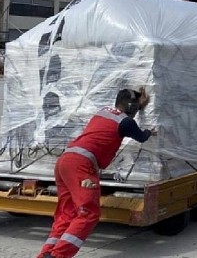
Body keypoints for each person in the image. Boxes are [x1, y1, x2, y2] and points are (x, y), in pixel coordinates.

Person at [37, 88, 155, 258]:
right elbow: (141, 136)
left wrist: (136, 106)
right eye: (136, 105)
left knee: (67, 214)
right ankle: (58, 256)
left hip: (65, 161)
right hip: (81, 165)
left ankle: (46, 254)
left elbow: (123, 123)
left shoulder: (104, 112)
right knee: (89, 213)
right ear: (131, 106)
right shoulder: (126, 122)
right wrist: (150, 130)